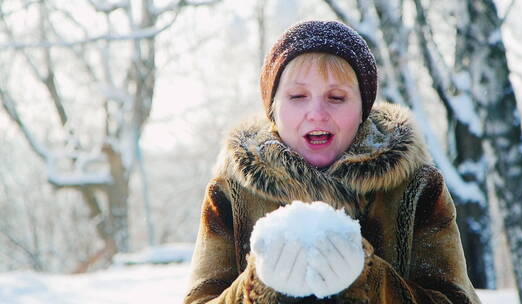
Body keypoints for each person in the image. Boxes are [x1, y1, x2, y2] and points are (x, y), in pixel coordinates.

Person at [183, 20, 480, 303]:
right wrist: (259, 286)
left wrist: (370, 280)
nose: (316, 113)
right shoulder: (231, 193)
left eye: (336, 97)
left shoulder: (417, 189)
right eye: (298, 96)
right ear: (273, 108)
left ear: (363, 109)